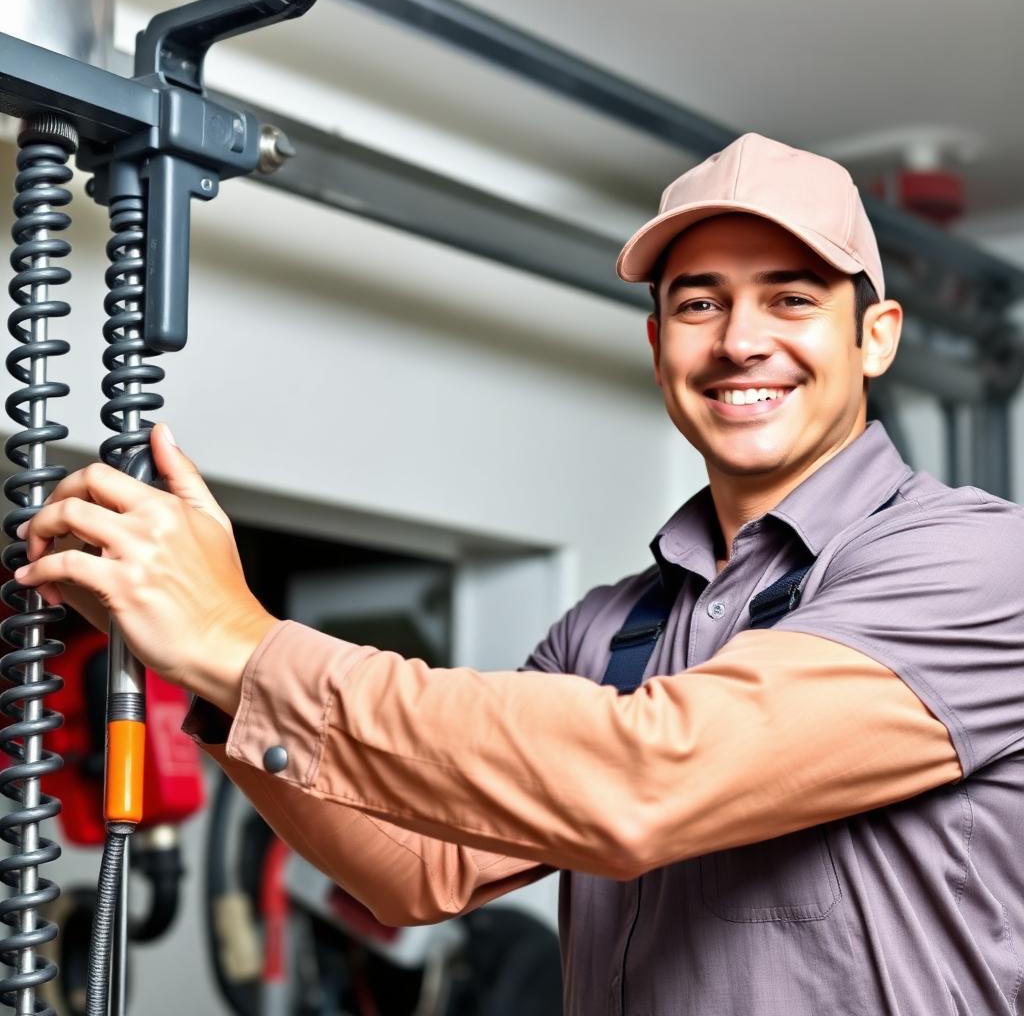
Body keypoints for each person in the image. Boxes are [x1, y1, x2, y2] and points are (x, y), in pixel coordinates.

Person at [15, 133, 1024, 1016]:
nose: (739, 341)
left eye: (790, 299)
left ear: (874, 336)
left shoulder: (974, 563)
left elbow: (646, 782)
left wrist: (241, 639)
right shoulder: (612, 629)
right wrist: (199, 659)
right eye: (698, 303)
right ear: (657, 342)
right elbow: (419, 864)